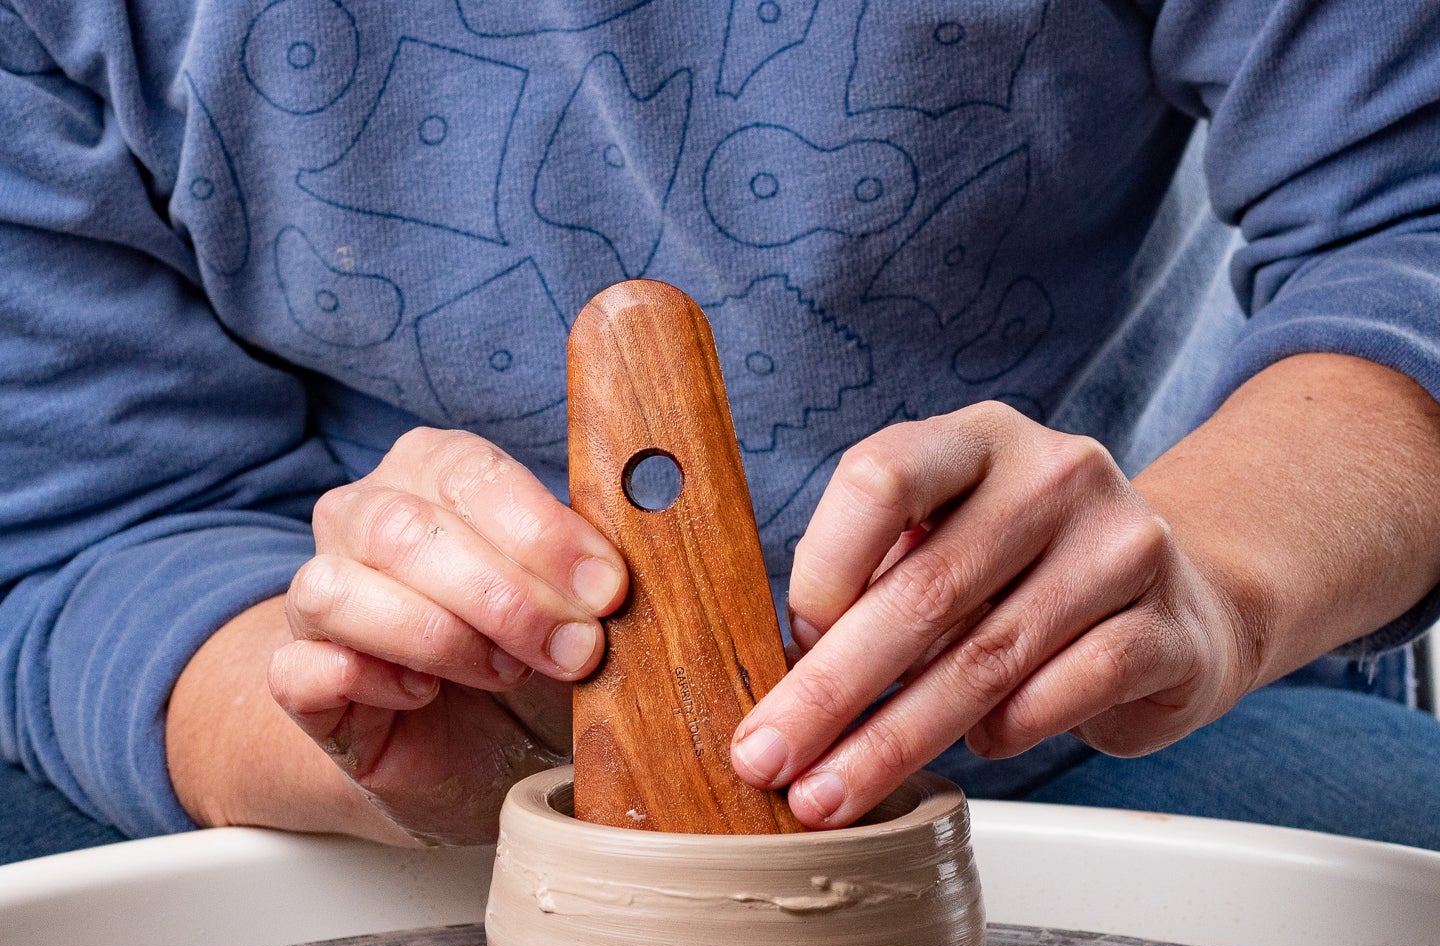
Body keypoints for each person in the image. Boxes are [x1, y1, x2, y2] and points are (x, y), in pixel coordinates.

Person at [1, 0, 1438, 864]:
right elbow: (92, 530)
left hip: (1100, 709)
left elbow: (1405, 227)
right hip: (379, 784)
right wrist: (355, 725)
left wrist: (1212, 583)